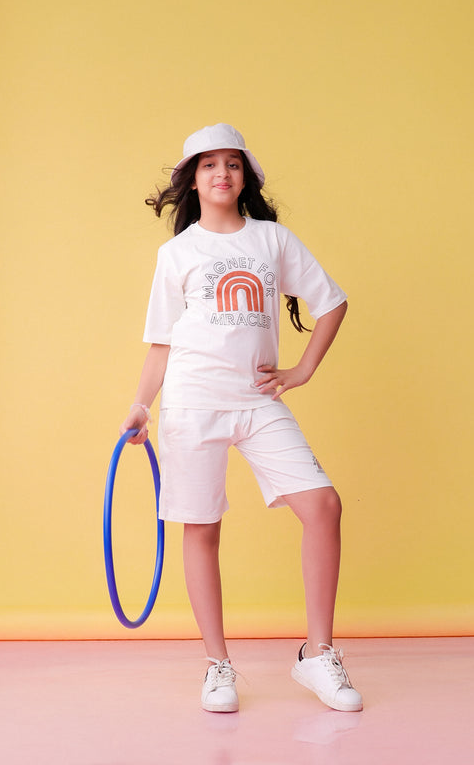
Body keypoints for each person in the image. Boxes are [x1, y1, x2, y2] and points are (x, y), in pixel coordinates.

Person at [120, 123, 363, 714]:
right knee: (201, 529)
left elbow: (332, 302)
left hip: (257, 402)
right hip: (191, 403)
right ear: (192, 180)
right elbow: (161, 343)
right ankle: (217, 665)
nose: (221, 173)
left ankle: (317, 654)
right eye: (208, 165)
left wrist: (302, 369)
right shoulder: (176, 254)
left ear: (245, 177)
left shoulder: (272, 240)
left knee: (323, 505)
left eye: (232, 163)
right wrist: (141, 405)